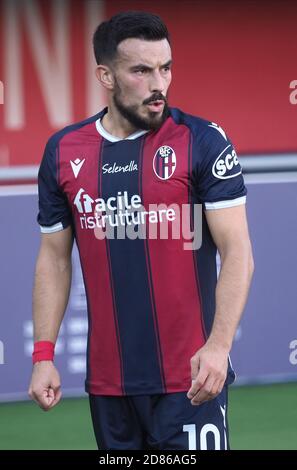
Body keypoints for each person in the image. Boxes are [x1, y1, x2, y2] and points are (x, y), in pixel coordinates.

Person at [28, 11, 254, 450]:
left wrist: (219, 346)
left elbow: (238, 250)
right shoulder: (63, 151)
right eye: (142, 70)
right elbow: (53, 258)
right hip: (110, 385)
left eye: (166, 68)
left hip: (191, 377)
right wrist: (43, 356)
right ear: (106, 76)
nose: (159, 84)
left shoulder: (202, 140)